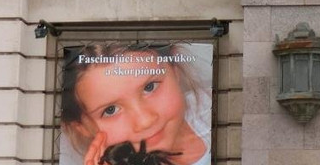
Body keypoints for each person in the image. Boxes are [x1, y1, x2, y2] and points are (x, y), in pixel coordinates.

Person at [60, 41, 212, 165]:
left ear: (174, 69)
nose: (145, 121)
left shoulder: (219, 110)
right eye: (110, 110)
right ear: (82, 127)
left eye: (149, 87)